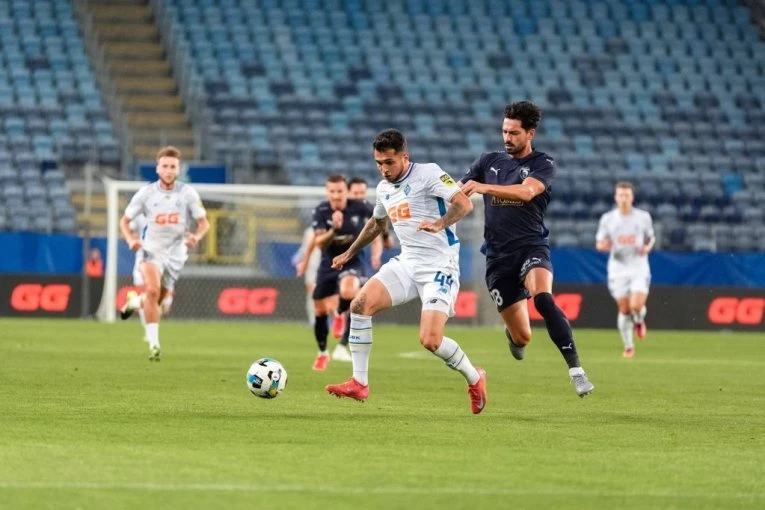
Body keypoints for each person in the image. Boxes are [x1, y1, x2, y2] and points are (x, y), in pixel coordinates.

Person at [326, 129, 487, 414]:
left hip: (439, 265)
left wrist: (439, 223)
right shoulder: (384, 189)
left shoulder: (429, 174)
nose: (384, 169)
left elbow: (464, 203)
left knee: (430, 340)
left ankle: (475, 379)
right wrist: (349, 253)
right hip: (407, 263)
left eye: (389, 162)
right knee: (359, 305)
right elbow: (377, 224)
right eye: (379, 163)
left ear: (404, 157)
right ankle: (359, 383)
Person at [460, 101, 594, 397]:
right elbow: (457, 190)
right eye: (504, 131)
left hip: (531, 246)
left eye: (514, 133)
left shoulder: (542, 164)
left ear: (530, 133)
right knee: (522, 338)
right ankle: (514, 337)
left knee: (543, 298)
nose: (507, 138)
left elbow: (526, 191)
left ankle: (576, 371)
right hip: (497, 258)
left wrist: (484, 188)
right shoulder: (487, 161)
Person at [118, 146, 209, 361]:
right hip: (151, 249)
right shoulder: (146, 194)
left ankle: (134, 303)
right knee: (152, 291)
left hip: (176, 253)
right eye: (165, 166)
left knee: (159, 301)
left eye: (172, 167)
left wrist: (196, 237)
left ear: (178, 169)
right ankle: (154, 345)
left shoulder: (188, 194)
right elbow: (124, 221)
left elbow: (204, 223)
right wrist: (131, 239)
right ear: (157, 169)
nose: (168, 171)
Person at [308, 174, 375, 369]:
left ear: (347, 191)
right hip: (328, 262)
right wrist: (334, 230)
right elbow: (320, 243)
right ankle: (322, 353)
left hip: (352, 259)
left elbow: (380, 218)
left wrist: (385, 236)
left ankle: (339, 314)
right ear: (327, 192)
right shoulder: (321, 210)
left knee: (348, 290)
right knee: (320, 310)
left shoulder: (361, 207)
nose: (336, 195)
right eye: (332, 191)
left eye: (340, 191)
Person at [595, 182, 655, 358]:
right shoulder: (608, 219)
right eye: (620, 195)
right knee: (625, 309)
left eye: (626, 195)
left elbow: (651, 238)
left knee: (636, 305)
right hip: (618, 268)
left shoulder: (643, 217)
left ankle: (639, 320)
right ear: (616, 197)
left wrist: (647, 247)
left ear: (632, 197)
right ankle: (629, 346)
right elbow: (599, 243)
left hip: (638, 266)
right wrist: (605, 246)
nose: (623, 199)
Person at [294, 225, 321, 326]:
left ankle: (330, 319)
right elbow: (304, 248)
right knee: (312, 293)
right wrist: (298, 258)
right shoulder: (309, 231)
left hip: (327, 266)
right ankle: (313, 320)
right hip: (311, 266)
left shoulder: (332, 229)